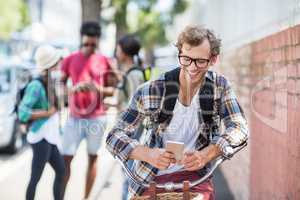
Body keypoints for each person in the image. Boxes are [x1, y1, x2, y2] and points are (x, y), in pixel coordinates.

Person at [106, 25, 249, 200]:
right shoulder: (153, 89)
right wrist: (148, 154)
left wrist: (206, 154)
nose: (192, 67)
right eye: (186, 59)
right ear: (179, 54)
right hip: (150, 178)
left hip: (197, 179)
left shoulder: (219, 86)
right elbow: (113, 137)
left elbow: (239, 128)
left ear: (213, 59)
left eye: (200, 61)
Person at [60, 21, 115, 199]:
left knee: (93, 158)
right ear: (81, 40)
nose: (90, 47)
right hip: (74, 118)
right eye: (86, 44)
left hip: (97, 118)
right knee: (65, 160)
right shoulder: (69, 59)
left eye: (93, 44)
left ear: (98, 41)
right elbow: (59, 85)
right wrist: (71, 91)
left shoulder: (105, 61)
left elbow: (112, 89)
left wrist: (96, 89)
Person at [18, 45, 65, 200]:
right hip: (40, 138)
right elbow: (23, 112)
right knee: (35, 178)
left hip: (49, 137)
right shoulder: (36, 85)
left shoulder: (50, 81)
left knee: (61, 171)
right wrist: (47, 113)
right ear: (50, 64)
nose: (59, 63)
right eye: (56, 61)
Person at [112, 35, 145, 200]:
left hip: (130, 134)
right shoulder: (130, 72)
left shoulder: (134, 75)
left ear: (124, 52)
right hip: (127, 132)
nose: (116, 51)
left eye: (118, 48)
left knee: (129, 179)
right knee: (127, 177)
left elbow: (136, 108)